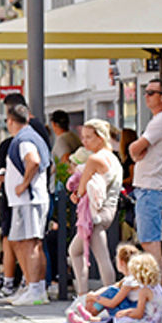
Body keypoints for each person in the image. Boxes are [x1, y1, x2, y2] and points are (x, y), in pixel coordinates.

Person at [128, 79, 162, 292]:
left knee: (150, 244)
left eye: (151, 92)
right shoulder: (161, 120)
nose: (146, 96)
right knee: (150, 242)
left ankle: (159, 292)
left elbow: (134, 149)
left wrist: (135, 148)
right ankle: (160, 291)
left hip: (151, 187)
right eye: (146, 92)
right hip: (151, 187)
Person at [2, 103, 52, 306]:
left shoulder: (24, 139)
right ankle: (36, 287)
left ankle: (34, 289)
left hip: (28, 200)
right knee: (30, 243)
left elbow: (33, 161)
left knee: (28, 243)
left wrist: (23, 184)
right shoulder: (32, 136)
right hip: (31, 199)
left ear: (11, 120)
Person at [67, 119, 121, 298]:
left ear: (100, 138)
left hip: (95, 214)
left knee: (101, 257)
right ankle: (84, 295)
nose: (84, 142)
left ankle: (109, 296)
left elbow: (81, 189)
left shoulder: (94, 159)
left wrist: (76, 193)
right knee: (76, 251)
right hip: (107, 211)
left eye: (88, 137)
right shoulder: (113, 158)